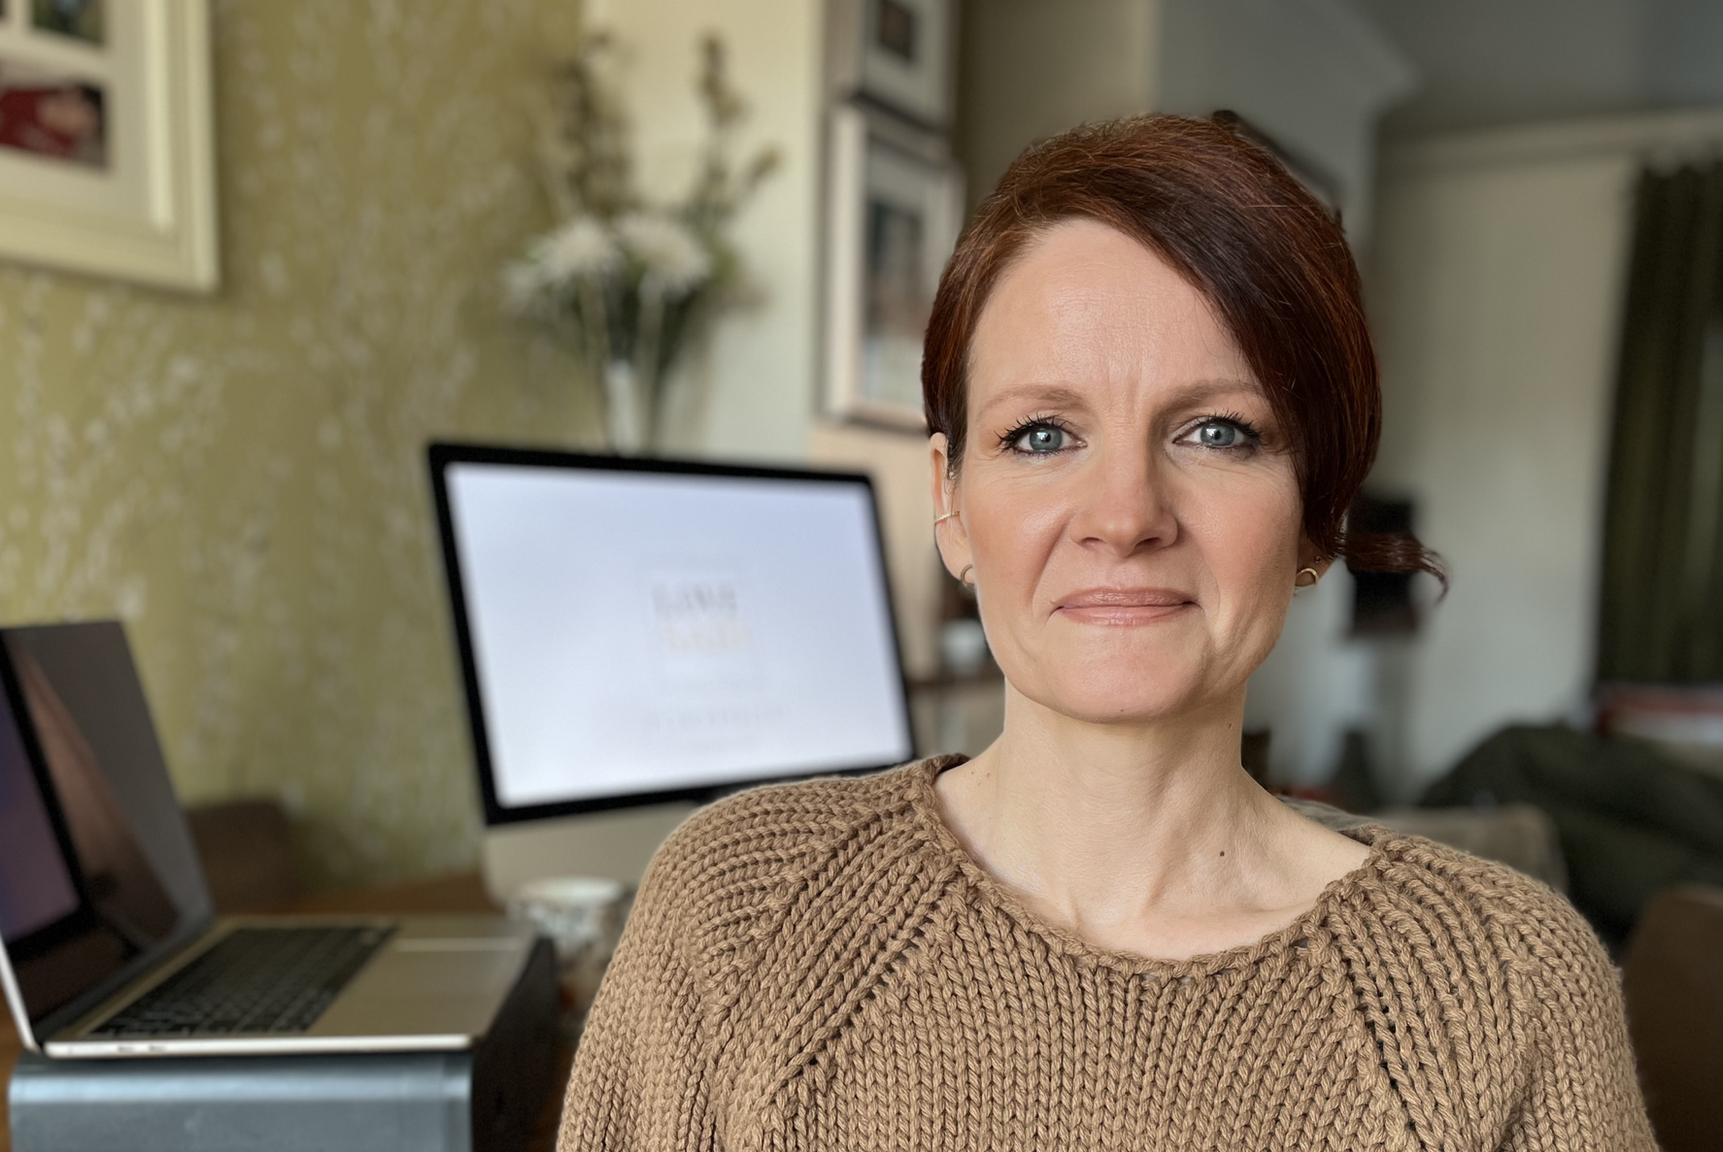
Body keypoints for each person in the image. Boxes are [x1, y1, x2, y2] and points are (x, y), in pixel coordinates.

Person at [558, 114, 1656, 1151]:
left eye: (1217, 431)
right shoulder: (733, 914)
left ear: (1315, 516)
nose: (1125, 515)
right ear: (949, 501)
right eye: (1041, 434)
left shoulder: (1508, 990)